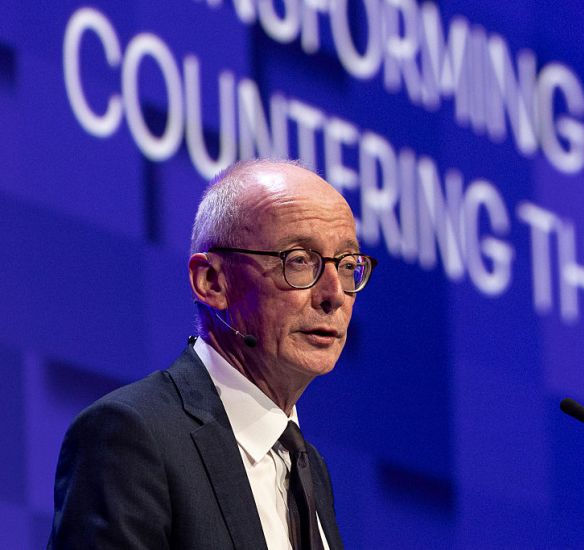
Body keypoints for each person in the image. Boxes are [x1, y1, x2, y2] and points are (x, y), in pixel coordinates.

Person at [48, 159, 377, 549]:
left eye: (347, 265)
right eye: (300, 261)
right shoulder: (133, 437)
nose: (334, 294)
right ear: (211, 282)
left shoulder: (309, 467)